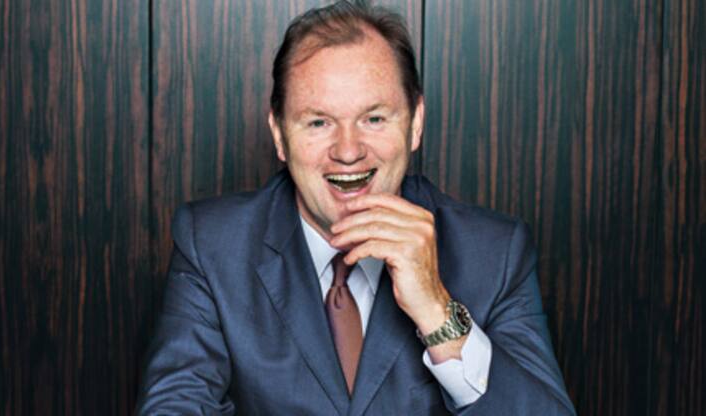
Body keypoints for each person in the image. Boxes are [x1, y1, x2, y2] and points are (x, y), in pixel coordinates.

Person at [136, 1, 575, 414]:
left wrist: (437, 312)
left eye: (374, 119)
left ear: (415, 124)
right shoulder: (212, 245)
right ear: (279, 136)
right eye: (319, 122)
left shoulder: (496, 252)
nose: (348, 151)